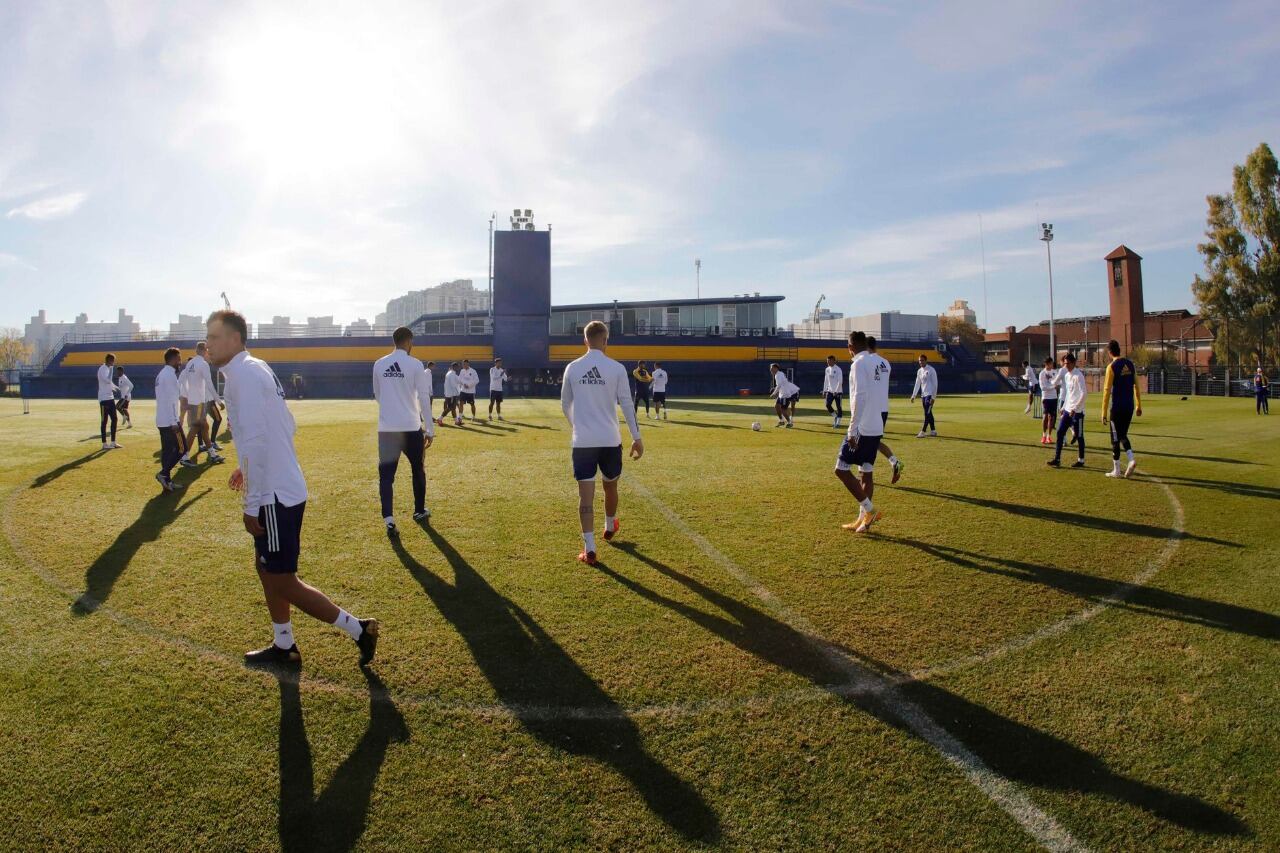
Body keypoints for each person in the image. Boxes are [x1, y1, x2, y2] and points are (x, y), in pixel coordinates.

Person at [204, 309, 379, 668]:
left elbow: (259, 439)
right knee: (266, 569)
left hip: (274, 494)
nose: (208, 343)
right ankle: (285, 645)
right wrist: (244, 466)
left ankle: (360, 629)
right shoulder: (251, 369)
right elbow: (283, 424)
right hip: (277, 485)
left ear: (235, 339)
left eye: (215, 336)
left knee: (283, 580)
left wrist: (253, 502)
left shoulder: (244, 376)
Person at [560, 320, 643, 566]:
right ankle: (610, 525)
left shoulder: (573, 368)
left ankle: (591, 548)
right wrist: (637, 438)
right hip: (610, 440)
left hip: (583, 441)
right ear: (606, 340)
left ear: (585, 340)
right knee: (610, 486)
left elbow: (565, 405)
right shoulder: (616, 368)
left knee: (585, 498)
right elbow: (627, 405)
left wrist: (578, 426)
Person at [372, 327, 435, 534]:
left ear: (394, 341)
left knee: (386, 476)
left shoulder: (379, 364)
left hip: (387, 429)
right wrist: (430, 428)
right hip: (411, 427)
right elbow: (424, 397)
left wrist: (392, 412)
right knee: (418, 468)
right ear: (409, 342)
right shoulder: (415, 364)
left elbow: (378, 395)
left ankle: (389, 519)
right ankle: (418, 511)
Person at [834, 331, 884, 533]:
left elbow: (859, 397)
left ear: (850, 347)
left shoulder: (857, 364)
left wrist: (852, 430)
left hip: (862, 427)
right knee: (866, 471)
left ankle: (870, 510)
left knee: (841, 469)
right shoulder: (878, 363)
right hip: (877, 424)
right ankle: (863, 520)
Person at [1100, 339, 1142, 478]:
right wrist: (1138, 405)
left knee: (1115, 438)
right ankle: (1130, 460)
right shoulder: (1130, 364)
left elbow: (1106, 390)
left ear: (1109, 352)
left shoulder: (1111, 367)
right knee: (1123, 434)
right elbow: (1136, 385)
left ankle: (1117, 469)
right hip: (1129, 407)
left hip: (1117, 408)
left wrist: (1103, 412)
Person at [180, 342, 225, 466]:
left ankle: (212, 454)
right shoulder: (203, 364)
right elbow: (209, 384)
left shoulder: (190, 363)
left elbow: (182, 381)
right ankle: (185, 456)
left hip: (194, 401)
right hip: (199, 402)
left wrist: (186, 397)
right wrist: (219, 400)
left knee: (204, 427)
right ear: (205, 351)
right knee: (195, 428)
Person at [867, 337, 904, 483]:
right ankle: (894, 462)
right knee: (873, 442)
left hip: (871, 408)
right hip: (883, 408)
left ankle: (865, 473)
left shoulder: (866, 362)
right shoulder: (886, 363)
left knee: (865, 441)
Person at [154, 347, 186, 492]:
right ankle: (163, 474)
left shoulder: (161, 374)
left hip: (161, 419)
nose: (180, 362)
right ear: (173, 359)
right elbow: (172, 400)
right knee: (182, 448)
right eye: (179, 359)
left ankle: (167, 481)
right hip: (170, 421)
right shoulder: (170, 375)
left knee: (167, 452)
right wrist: (174, 421)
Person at [1048, 352, 1086, 468]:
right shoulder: (1067, 375)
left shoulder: (1078, 376)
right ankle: (1057, 459)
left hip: (1077, 412)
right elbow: (1069, 394)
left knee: (1079, 436)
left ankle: (1081, 460)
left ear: (1074, 363)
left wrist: (1075, 408)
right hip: (1067, 410)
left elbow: (1084, 394)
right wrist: (1063, 407)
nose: (1066, 366)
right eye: (1065, 364)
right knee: (1060, 432)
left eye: (1068, 363)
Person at [908, 354, 938, 437]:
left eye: (922, 360)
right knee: (929, 413)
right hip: (923, 395)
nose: (920, 362)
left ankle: (923, 431)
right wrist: (913, 395)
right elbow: (917, 383)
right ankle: (933, 430)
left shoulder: (931, 370)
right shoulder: (919, 371)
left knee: (927, 413)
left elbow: (935, 384)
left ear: (926, 361)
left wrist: (933, 397)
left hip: (930, 395)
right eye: (919, 361)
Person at [97, 353, 122, 450]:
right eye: (113, 361)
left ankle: (113, 442)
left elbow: (110, 383)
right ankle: (104, 444)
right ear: (110, 360)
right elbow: (107, 380)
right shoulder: (103, 369)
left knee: (114, 419)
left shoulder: (107, 369)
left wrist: (116, 388)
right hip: (103, 399)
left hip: (110, 398)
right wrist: (111, 369)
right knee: (104, 421)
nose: (114, 363)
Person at [1038, 357, 1059, 445]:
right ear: (1047, 364)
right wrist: (1052, 387)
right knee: (1045, 416)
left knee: (1052, 417)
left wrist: (1057, 384)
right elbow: (1042, 387)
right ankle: (1043, 435)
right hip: (1046, 398)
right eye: (1051, 363)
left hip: (1054, 397)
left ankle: (1049, 437)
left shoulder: (1055, 372)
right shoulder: (1042, 373)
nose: (1052, 365)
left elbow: (1058, 382)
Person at [823, 354, 844, 428]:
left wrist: (836, 391)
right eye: (827, 361)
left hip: (838, 392)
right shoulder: (827, 369)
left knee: (839, 407)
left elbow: (840, 381)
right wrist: (824, 391)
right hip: (830, 391)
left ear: (834, 361)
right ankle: (835, 416)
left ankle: (838, 423)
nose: (828, 362)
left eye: (829, 361)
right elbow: (826, 380)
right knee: (827, 405)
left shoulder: (838, 369)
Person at [114, 365, 133, 429]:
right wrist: (115, 388)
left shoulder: (124, 378)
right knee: (124, 409)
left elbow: (131, 386)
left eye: (118, 372)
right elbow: (121, 387)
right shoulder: (120, 378)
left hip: (125, 397)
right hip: (123, 396)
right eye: (117, 372)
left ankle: (124, 416)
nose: (117, 373)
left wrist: (127, 394)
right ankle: (130, 424)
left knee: (117, 406)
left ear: (122, 371)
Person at [442, 362, 461, 426]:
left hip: (449, 394)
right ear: (454, 367)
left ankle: (456, 421)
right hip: (452, 394)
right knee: (450, 408)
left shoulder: (449, 373)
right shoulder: (452, 374)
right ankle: (440, 418)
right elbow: (453, 385)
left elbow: (458, 380)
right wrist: (458, 391)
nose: (458, 368)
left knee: (453, 408)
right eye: (457, 367)